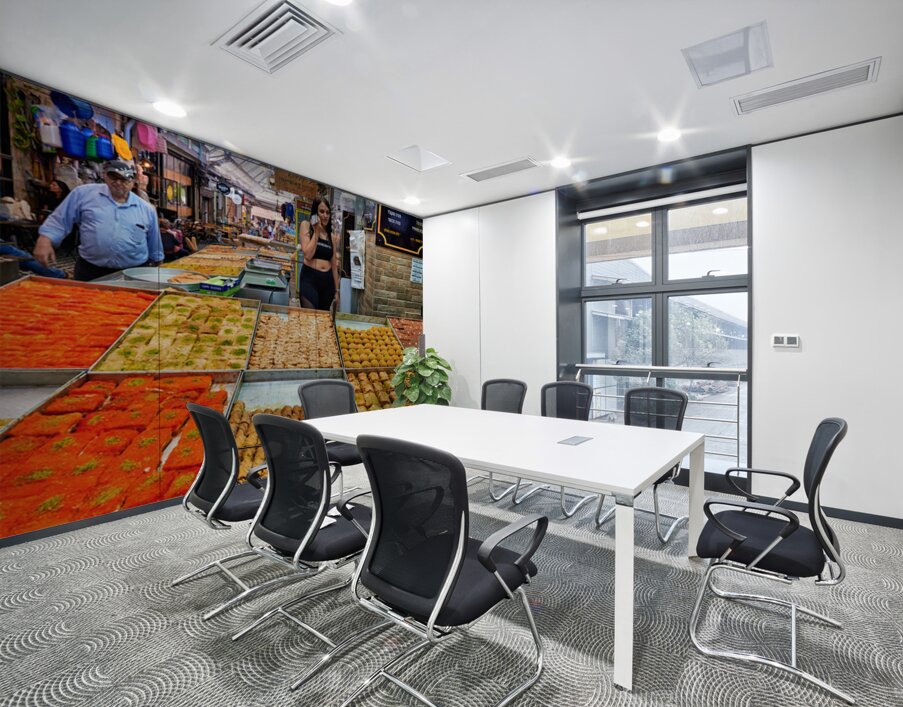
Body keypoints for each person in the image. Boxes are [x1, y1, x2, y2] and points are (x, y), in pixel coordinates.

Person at [33, 160, 163, 281]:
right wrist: (45, 239)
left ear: (133, 181)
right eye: (114, 177)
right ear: (105, 176)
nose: (118, 182)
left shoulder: (146, 209)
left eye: (124, 179)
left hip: (133, 272)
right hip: (90, 270)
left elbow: (154, 241)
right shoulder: (83, 194)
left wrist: (158, 264)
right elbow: (60, 218)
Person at [298, 197, 339, 311]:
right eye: (321, 211)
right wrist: (316, 231)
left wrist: (337, 291)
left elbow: (334, 266)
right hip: (309, 279)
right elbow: (307, 255)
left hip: (327, 283)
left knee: (323, 320)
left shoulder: (331, 236)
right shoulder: (306, 226)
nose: (325, 215)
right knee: (310, 318)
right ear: (315, 213)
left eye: (327, 212)